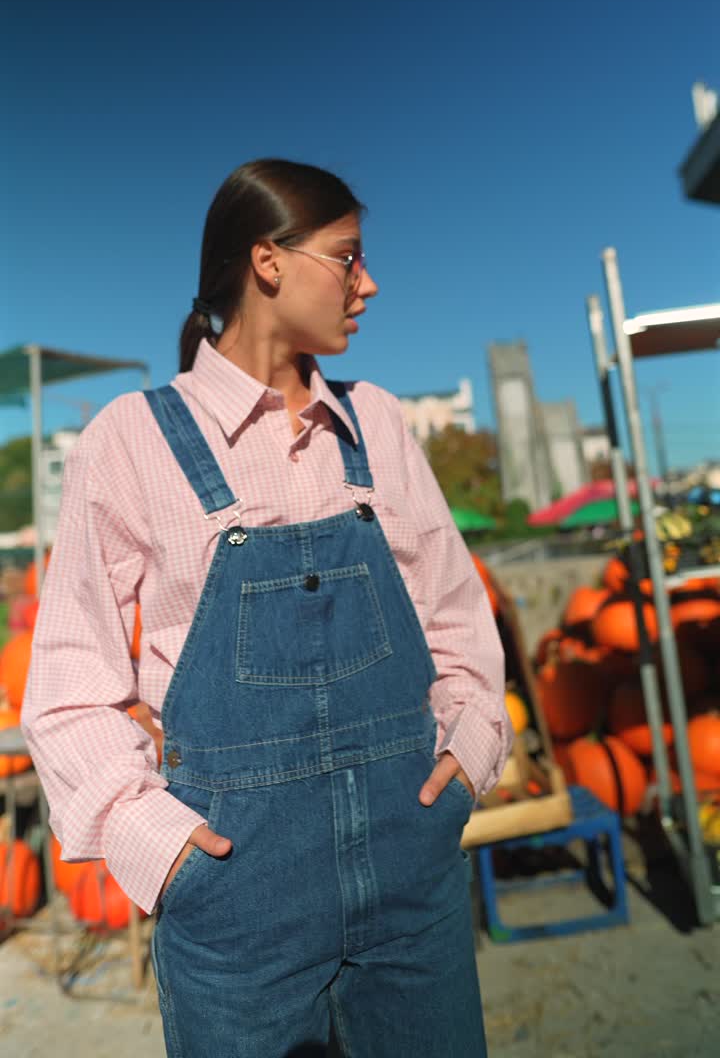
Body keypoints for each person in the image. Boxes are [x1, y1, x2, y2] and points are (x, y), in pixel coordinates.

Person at [22, 159, 512, 1057]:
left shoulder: (382, 426)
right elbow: (65, 686)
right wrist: (161, 853)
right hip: (236, 913)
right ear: (269, 261)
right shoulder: (132, 440)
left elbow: (457, 620)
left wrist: (468, 755)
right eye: (349, 257)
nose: (370, 283)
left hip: (415, 893)